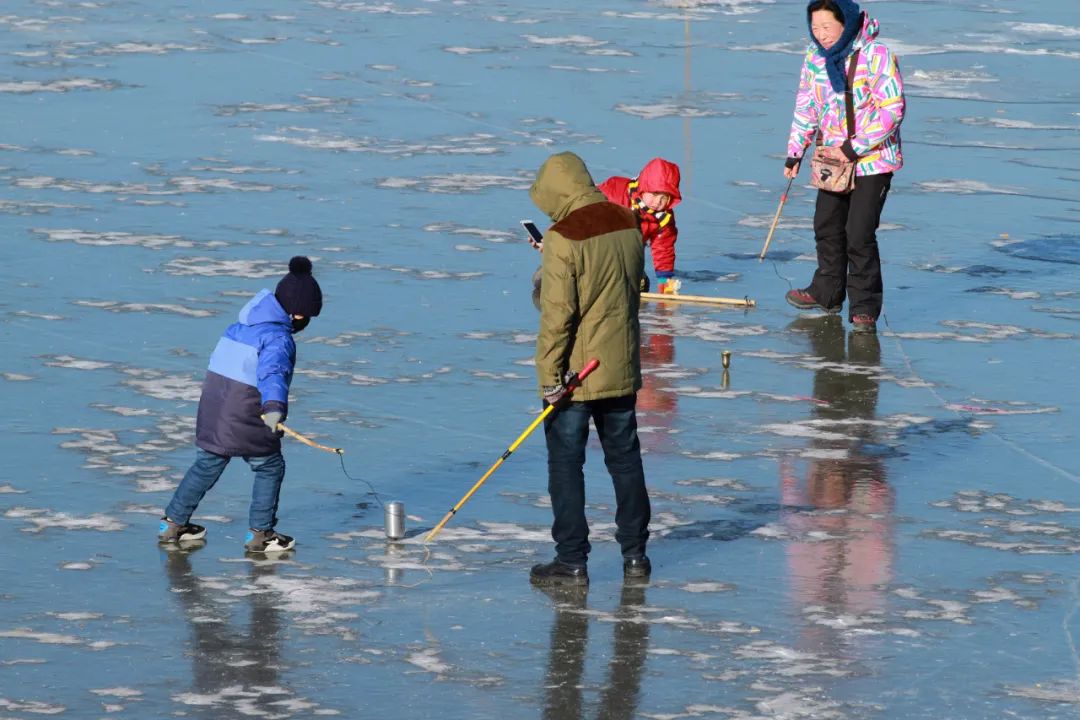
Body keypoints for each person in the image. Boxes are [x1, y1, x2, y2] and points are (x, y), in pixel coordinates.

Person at [529, 151, 652, 587]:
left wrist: (549, 377)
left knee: (566, 466)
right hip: (619, 365)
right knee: (625, 462)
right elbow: (631, 285)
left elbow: (557, 314)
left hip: (576, 376)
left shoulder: (563, 238)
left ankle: (571, 561)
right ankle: (636, 556)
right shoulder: (627, 221)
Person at [158, 256, 323, 553]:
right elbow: (273, 374)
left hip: (214, 406)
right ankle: (260, 534)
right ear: (298, 315)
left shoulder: (239, 326)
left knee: (207, 462)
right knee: (269, 466)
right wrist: (273, 409)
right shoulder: (278, 337)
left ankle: (172, 524)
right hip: (248, 411)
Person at [782, 0, 905, 334]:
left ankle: (864, 308)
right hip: (832, 159)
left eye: (828, 27)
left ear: (846, 23)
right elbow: (807, 105)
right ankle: (827, 293)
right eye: (816, 27)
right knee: (826, 225)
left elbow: (892, 110)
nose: (822, 35)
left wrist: (854, 147)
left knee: (859, 233)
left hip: (871, 159)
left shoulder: (876, 55)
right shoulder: (814, 58)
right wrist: (796, 150)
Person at [598, 157, 682, 293]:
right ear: (644, 188)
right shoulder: (616, 193)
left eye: (664, 198)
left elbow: (663, 248)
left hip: (630, 253)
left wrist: (664, 280)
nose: (658, 202)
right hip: (599, 245)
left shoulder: (663, 218)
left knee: (638, 283)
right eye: (654, 194)